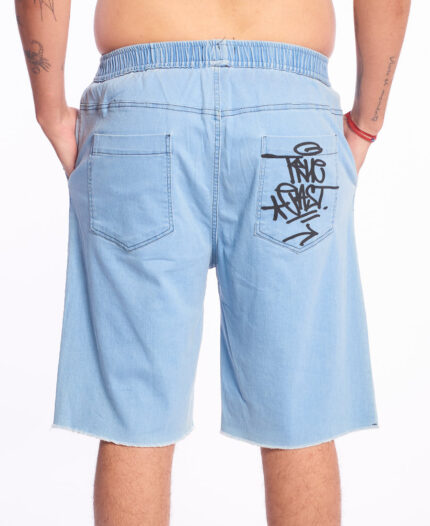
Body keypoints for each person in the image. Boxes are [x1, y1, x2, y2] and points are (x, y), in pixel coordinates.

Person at [16, 1, 410, 524]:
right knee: (301, 409)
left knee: (135, 411)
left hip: (142, 111)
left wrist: (49, 109)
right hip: (290, 114)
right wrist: (366, 123)